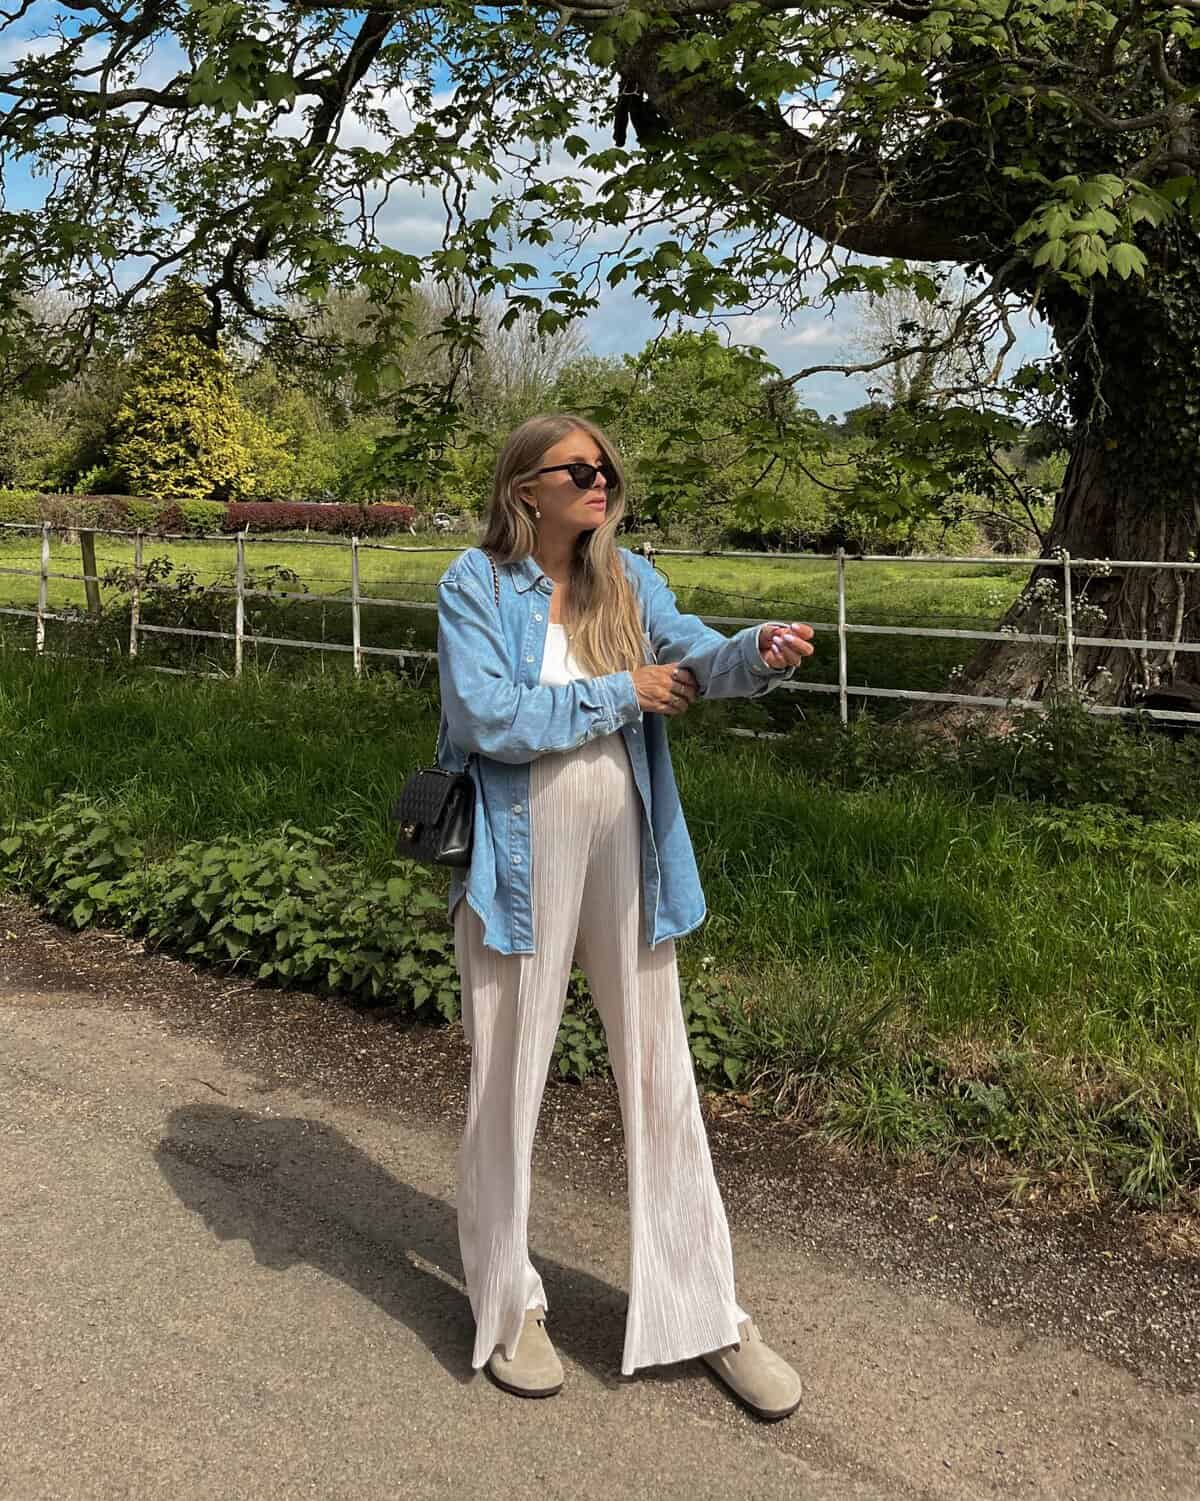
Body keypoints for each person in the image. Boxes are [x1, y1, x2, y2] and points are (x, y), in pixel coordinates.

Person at [435, 412, 814, 1420]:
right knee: (507, 1081)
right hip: (516, 872)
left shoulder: (629, 580)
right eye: (579, 469)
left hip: (632, 861)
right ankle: (509, 1305)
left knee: (661, 1076)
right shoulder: (475, 586)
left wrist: (758, 652)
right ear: (526, 486)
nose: (600, 480)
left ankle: (704, 1311)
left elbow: (696, 659)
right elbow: (488, 718)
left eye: (606, 468)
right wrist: (621, 692)